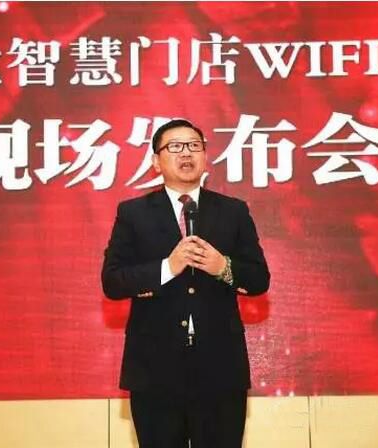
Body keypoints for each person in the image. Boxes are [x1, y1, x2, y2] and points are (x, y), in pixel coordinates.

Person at [101, 119, 270, 448]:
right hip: (154, 369)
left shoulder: (233, 211)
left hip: (220, 368)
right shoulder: (133, 213)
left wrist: (223, 267)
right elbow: (112, 281)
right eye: (175, 146)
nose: (186, 153)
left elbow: (259, 278)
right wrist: (168, 267)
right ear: (156, 161)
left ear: (205, 156)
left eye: (194, 145)